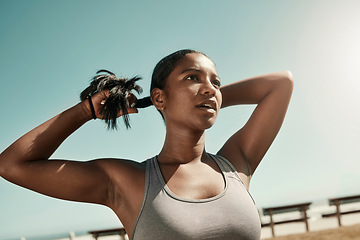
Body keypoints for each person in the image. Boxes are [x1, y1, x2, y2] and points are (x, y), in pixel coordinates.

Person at [0, 49, 294, 240]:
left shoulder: (236, 164)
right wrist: (86, 111)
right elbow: (12, 165)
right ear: (159, 98)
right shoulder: (128, 181)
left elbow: (281, 84)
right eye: (192, 77)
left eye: (215, 82)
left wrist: (207, 99)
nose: (209, 86)